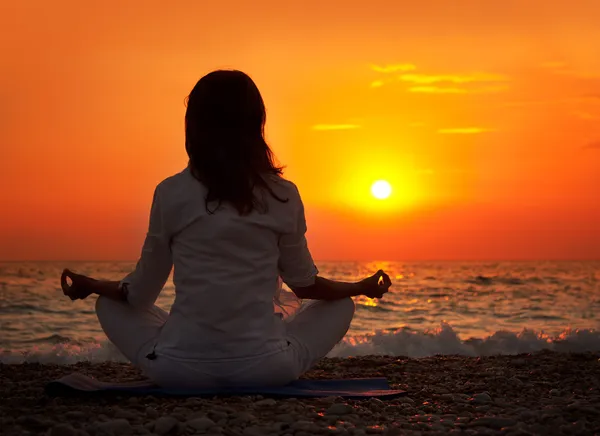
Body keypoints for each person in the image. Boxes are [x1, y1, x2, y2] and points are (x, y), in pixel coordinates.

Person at [60, 70, 392, 388]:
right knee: (342, 304)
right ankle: (258, 345)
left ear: (195, 126)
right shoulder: (282, 194)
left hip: (178, 370)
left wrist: (92, 285)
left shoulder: (171, 192)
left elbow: (141, 294)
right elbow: (305, 285)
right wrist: (358, 287)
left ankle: (183, 349)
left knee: (107, 304)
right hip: (267, 369)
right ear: (255, 127)